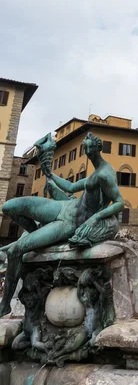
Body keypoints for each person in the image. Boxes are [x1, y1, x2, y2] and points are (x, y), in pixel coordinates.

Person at [0, 132, 124, 317]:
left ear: (98, 148)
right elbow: (71, 188)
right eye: (85, 148)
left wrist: (95, 218)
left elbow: (120, 202)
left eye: (90, 148)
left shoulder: (105, 174)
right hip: (65, 207)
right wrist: (50, 174)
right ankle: (37, 235)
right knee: (9, 207)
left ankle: (5, 304)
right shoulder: (96, 172)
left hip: (71, 223)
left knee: (14, 251)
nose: (88, 152)